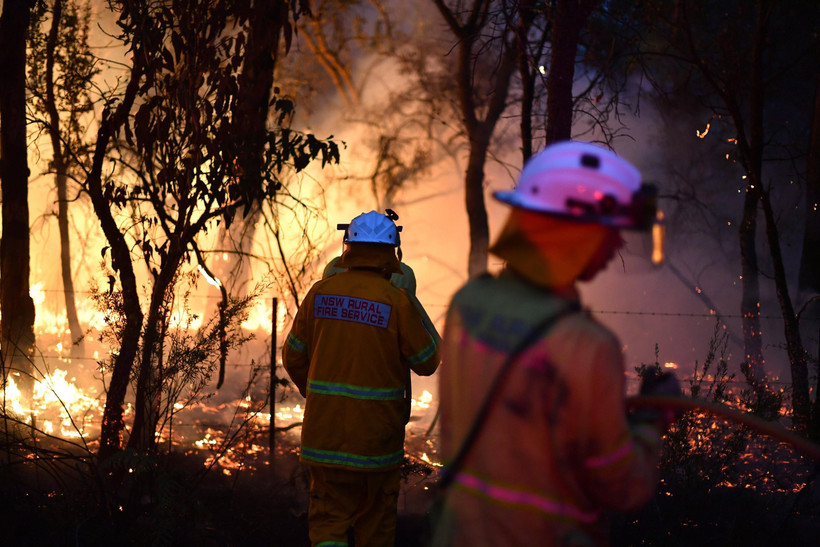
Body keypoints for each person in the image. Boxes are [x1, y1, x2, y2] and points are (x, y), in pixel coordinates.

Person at [430, 141, 681, 546]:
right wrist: (652, 421)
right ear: (573, 234)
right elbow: (623, 487)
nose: (617, 244)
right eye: (610, 230)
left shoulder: (467, 303)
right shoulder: (587, 346)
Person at [283, 210, 441, 547]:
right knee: (376, 525)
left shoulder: (319, 293)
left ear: (348, 247)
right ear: (392, 253)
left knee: (328, 523)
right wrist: (415, 308)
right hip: (376, 445)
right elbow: (428, 361)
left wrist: (319, 397)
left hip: (325, 437)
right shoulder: (397, 301)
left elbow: (293, 356)